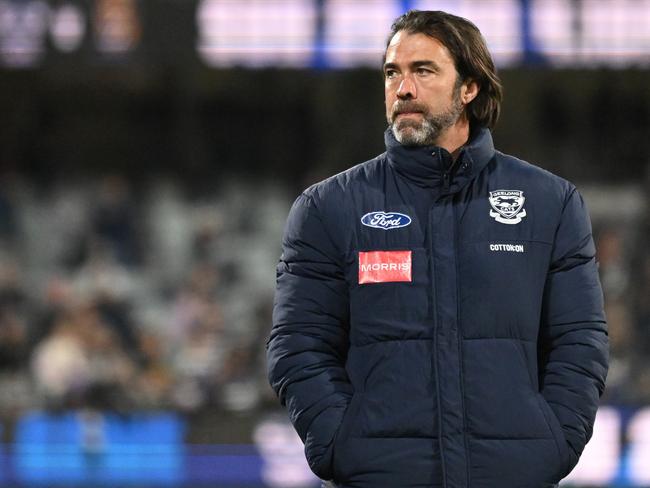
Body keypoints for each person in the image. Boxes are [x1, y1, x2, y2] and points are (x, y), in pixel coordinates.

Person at [266, 10, 608, 488]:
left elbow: (580, 342)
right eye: (392, 73)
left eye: (423, 71)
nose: (402, 89)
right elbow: (297, 347)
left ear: (469, 88)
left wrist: (553, 444)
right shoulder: (328, 208)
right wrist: (341, 444)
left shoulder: (551, 204)